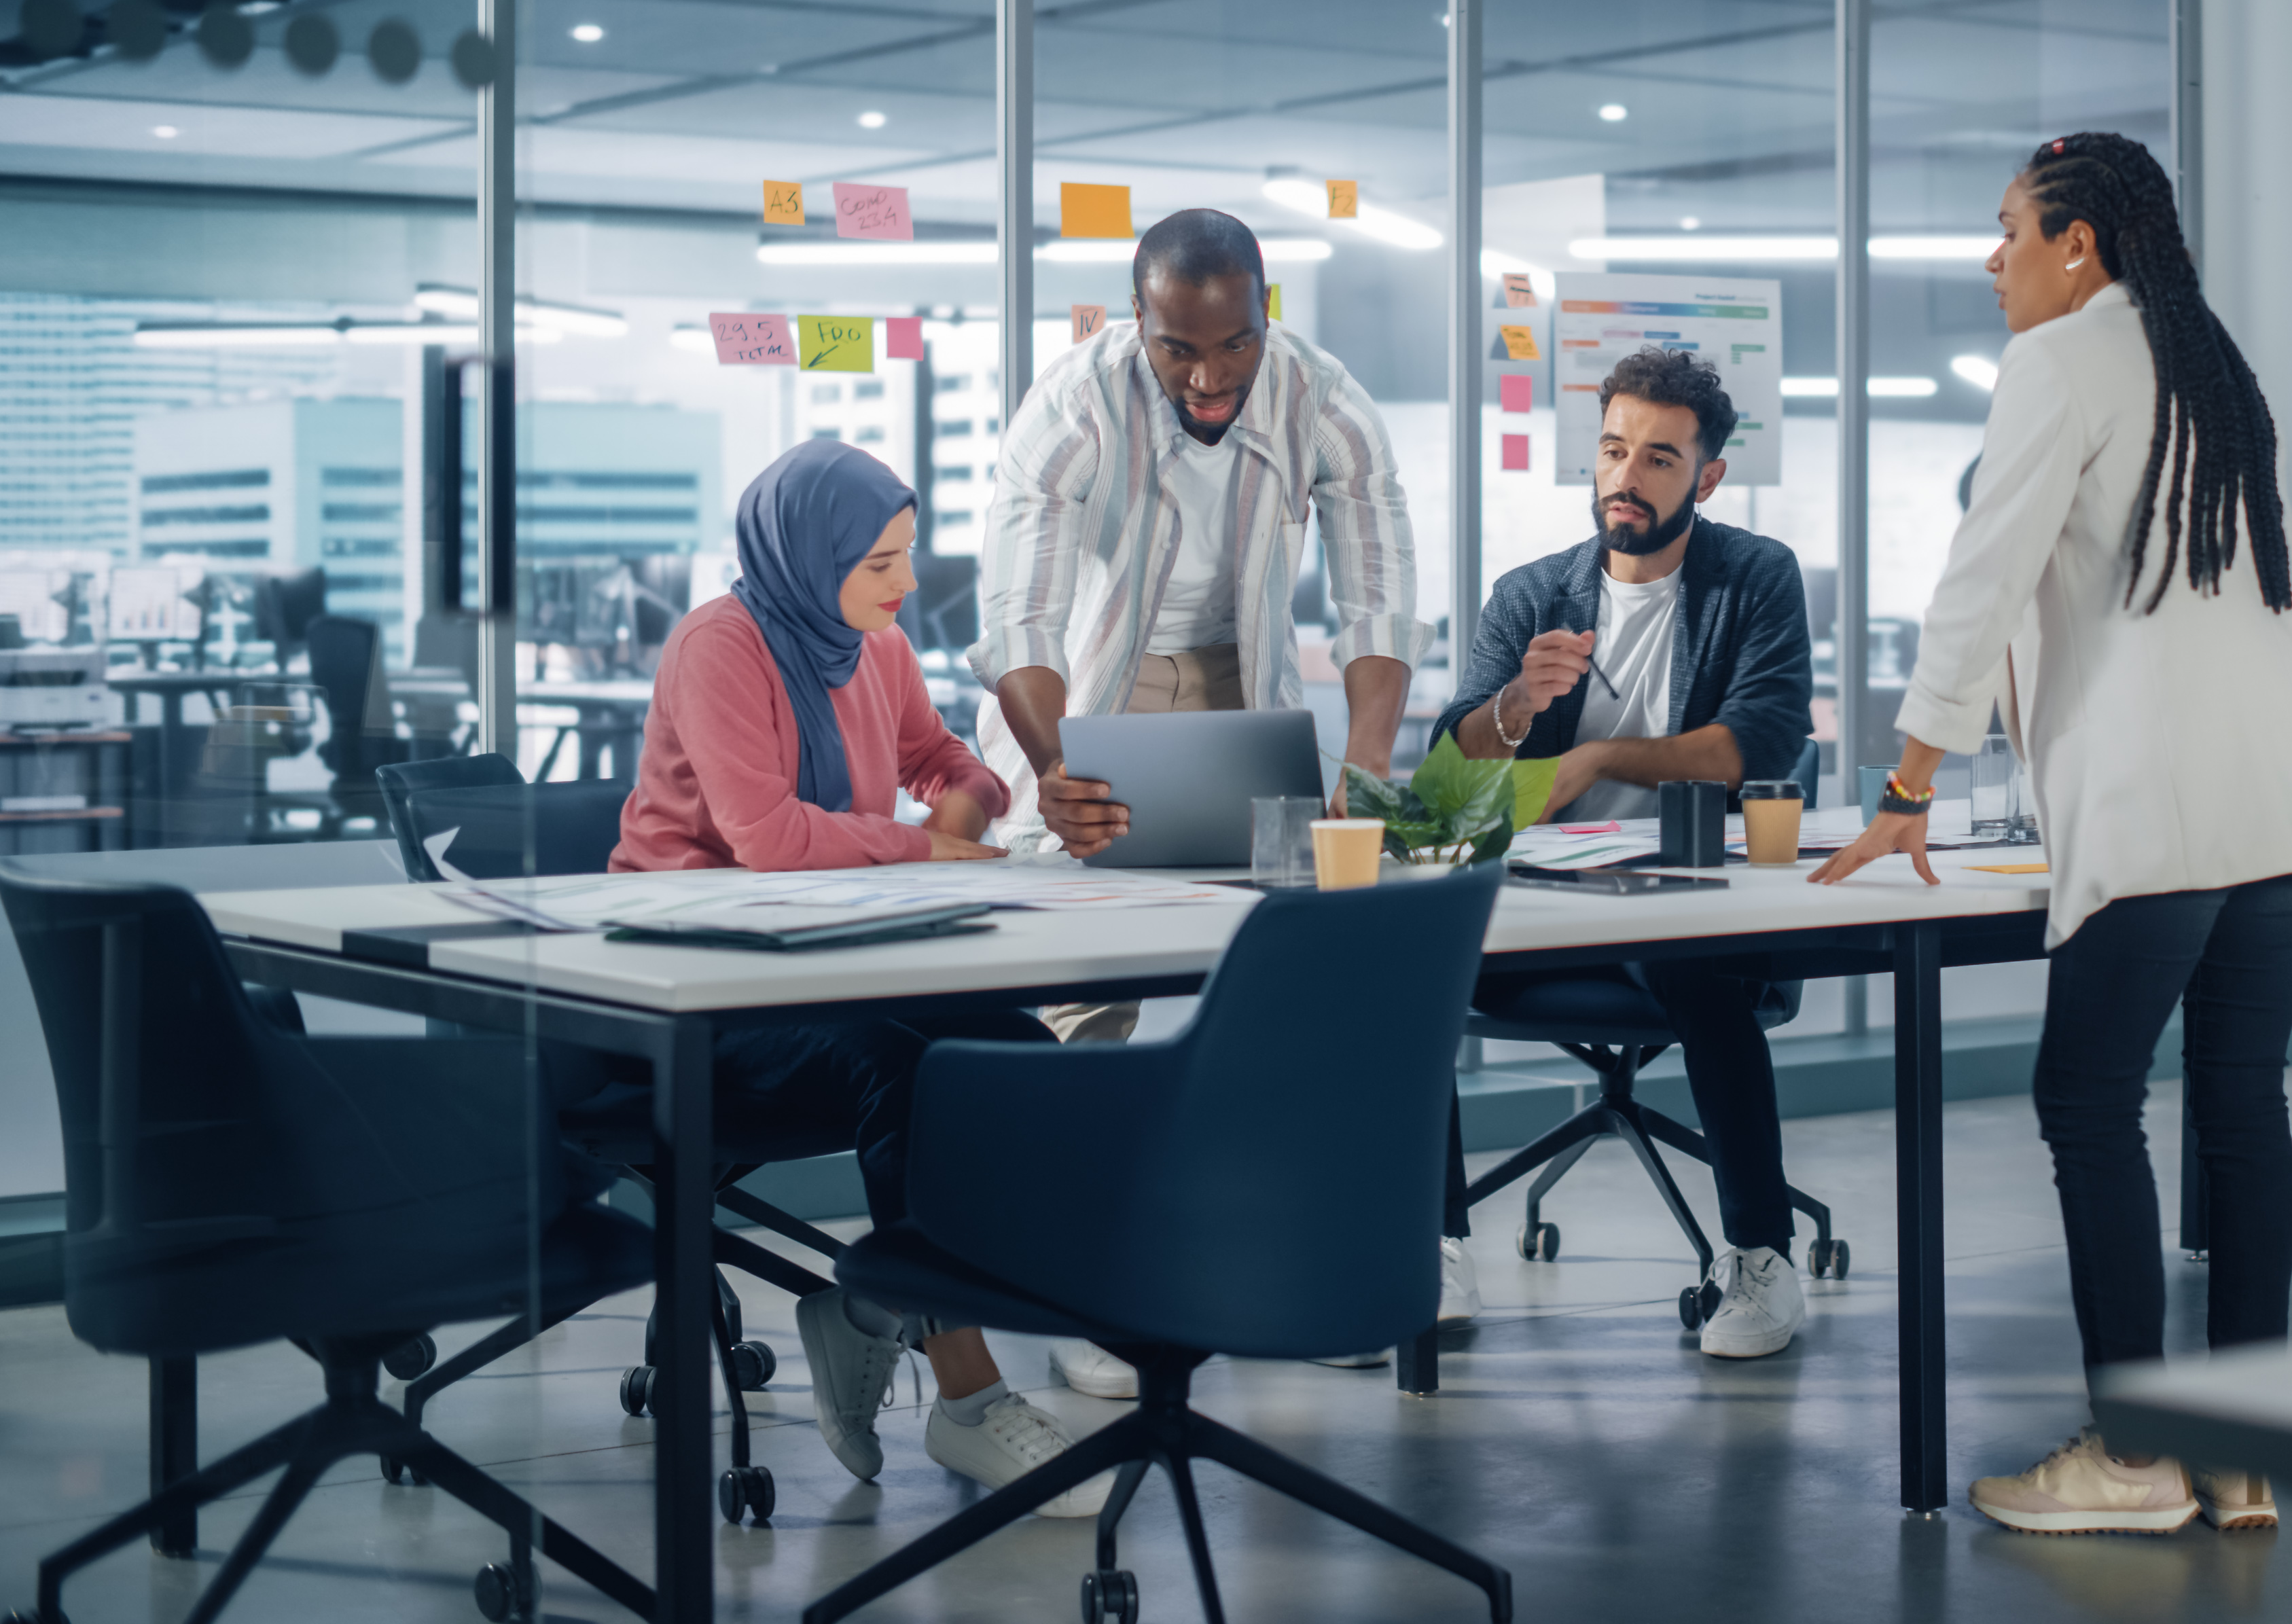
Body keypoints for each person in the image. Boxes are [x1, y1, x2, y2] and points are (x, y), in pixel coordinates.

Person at [1813, 132, 2292, 1536]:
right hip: (2290, 792)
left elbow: (1981, 579)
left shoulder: (2060, 362)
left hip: (2164, 799)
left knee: (2088, 1103)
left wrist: (1907, 789)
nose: (1990, 255)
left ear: (2081, 245)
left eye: (2008, 228)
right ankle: (2239, 1452)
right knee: (2241, 1105)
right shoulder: (2214, 366)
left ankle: (2132, 1458)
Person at [969, 205, 1439, 1394]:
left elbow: (1378, 597)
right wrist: (1054, 768)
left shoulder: (1322, 397)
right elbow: (1018, 617)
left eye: (1233, 346)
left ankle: (1299, 1275)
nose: (1210, 374)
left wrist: (1367, 760)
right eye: (1180, 348)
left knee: (1293, 964)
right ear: (1141, 323)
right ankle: (1091, 1286)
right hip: (1087, 690)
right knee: (1092, 985)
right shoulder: (1073, 404)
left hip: (1247, 690)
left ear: (1264, 315)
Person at [615, 436, 1111, 1518]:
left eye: (909, 556)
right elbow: (768, 839)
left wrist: (968, 801)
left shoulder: (869, 644)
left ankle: (877, 1305)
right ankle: (971, 1400)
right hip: (694, 986)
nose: (907, 583)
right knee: (908, 1072)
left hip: (828, 957)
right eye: (882, 562)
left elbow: (945, 759)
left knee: (1011, 1052)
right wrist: (927, 848)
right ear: (809, 556)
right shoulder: (721, 647)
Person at [1437, 346, 1820, 1357]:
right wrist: (1518, 707)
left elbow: (1758, 744)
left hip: (1680, 895)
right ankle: (1430, 1245)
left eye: (1658, 459)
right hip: (1542, 906)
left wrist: (1600, 755)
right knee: (1413, 958)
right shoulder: (1532, 595)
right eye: (1613, 451)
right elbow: (1452, 771)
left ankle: (1761, 1260)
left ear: (1707, 477)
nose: (1625, 477)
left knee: (1699, 964)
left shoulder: (1754, 579)